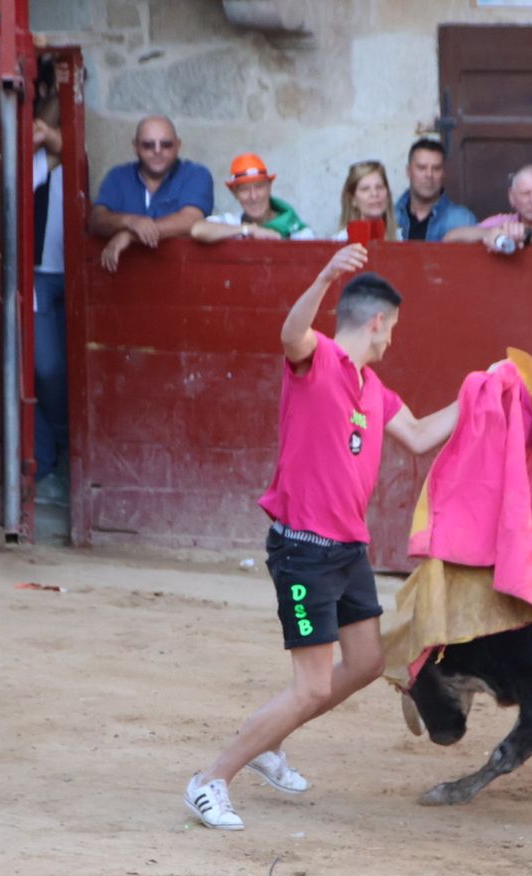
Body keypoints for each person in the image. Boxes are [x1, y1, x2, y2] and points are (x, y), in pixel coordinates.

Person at [183, 244, 460, 831]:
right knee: (310, 686)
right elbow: (291, 333)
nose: (391, 342)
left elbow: (417, 434)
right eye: (392, 331)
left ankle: (267, 743)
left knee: (363, 662)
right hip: (304, 550)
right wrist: (323, 277)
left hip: (347, 549)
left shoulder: (373, 387)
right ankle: (211, 779)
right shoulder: (319, 359)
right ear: (378, 321)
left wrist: (482, 394)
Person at [90, 115, 213, 273]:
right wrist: (130, 221)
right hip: (125, 282)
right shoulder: (118, 176)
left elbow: (191, 220)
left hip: (183, 277)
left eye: (166, 144)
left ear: (178, 145)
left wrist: (129, 235)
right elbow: (96, 220)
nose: (157, 151)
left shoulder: (196, 174)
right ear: (135, 147)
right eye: (148, 145)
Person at [31, 95, 70, 505]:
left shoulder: (65, 149)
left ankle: (59, 456)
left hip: (73, 274)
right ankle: (56, 453)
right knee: (45, 368)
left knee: (63, 369)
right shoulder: (33, 160)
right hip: (39, 275)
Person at [442, 164, 532, 250]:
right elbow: (450, 238)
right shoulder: (502, 222)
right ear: (512, 197)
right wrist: (494, 233)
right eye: (526, 194)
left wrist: (526, 235)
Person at [189, 153, 314, 243]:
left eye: (259, 187)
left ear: (269, 188)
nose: (253, 196)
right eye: (244, 189)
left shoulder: (296, 230)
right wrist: (249, 229)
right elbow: (197, 230)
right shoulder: (232, 222)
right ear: (235, 193)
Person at [393, 139, 477, 242]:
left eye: (436, 168)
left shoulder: (462, 220)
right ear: (409, 172)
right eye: (422, 168)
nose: (429, 175)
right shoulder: (390, 218)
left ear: (443, 173)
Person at [334, 159, 398, 240]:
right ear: (353, 199)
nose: (374, 194)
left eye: (379, 187)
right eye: (365, 189)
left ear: (388, 194)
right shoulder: (341, 241)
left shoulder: (401, 237)